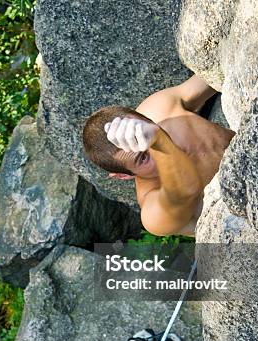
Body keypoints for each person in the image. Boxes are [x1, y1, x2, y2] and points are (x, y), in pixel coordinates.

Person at [82, 75, 235, 236]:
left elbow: (214, 71)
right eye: (142, 157)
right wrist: (158, 140)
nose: (149, 145)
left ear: (143, 117)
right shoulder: (154, 214)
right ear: (122, 176)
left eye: (145, 129)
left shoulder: (159, 108)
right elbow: (186, 192)